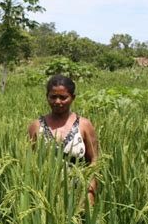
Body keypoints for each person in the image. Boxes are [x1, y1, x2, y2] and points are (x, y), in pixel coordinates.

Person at [28, 74, 99, 205]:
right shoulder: (36, 126)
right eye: (53, 97)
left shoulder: (84, 125)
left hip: (78, 193)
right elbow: (30, 163)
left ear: (73, 98)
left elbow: (94, 161)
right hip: (45, 194)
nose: (57, 101)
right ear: (47, 97)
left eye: (63, 97)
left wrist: (90, 193)